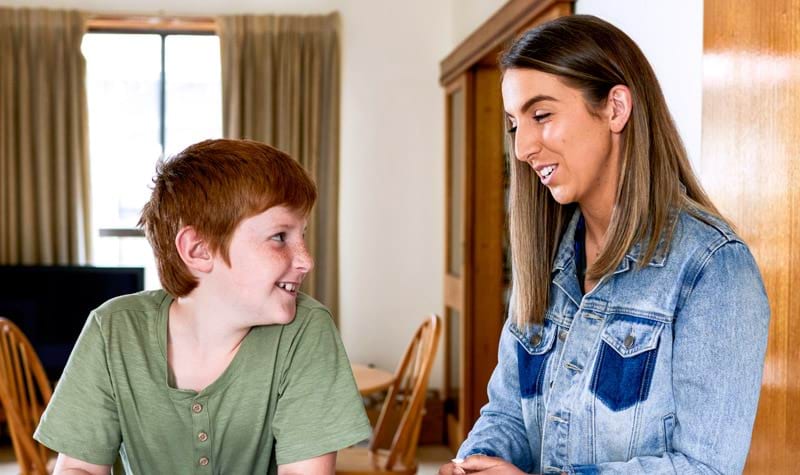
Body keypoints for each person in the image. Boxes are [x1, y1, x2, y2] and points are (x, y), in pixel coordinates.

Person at [439, 14, 770, 475]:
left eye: (541, 115)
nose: (522, 148)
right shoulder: (546, 258)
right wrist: (474, 461)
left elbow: (705, 467)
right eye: (516, 125)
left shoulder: (712, 269)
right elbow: (508, 410)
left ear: (616, 108)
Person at [34, 139, 371, 474]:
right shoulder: (113, 330)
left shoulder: (306, 330)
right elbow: (80, 468)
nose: (306, 260)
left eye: (303, 235)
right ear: (198, 250)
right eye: (280, 236)